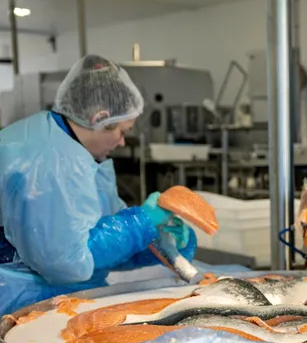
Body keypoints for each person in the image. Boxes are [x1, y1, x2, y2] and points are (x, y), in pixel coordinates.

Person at [0, 54, 197, 315]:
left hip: (58, 298)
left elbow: (103, 239)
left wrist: (160, 242)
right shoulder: (48, 162)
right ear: (99, 118)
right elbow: (65, 262)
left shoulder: (80, 154)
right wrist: (140, 224)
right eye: (122, 132)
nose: (123, 142)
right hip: (21, 302)